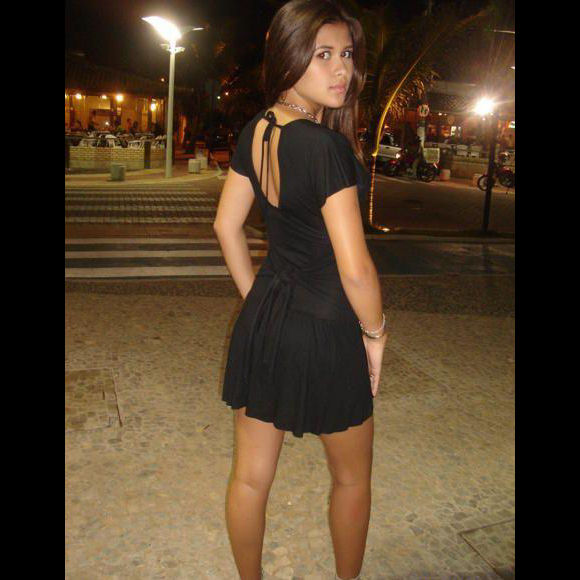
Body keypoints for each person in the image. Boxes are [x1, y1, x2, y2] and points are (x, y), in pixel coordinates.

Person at [213, 2, 387, 579]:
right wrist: (375, 336)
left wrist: (257, 300)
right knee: (352, 478)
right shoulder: (323, 146)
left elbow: (226, 226)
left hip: (267, 318)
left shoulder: (258, 129)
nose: (342, 70)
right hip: (327, 327)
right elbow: (356, 270)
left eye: (347, 55)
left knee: (250, 479)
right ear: (290, 58)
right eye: (323, 55)